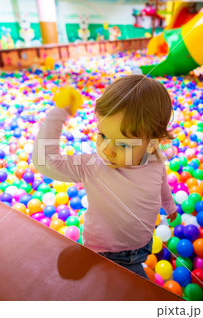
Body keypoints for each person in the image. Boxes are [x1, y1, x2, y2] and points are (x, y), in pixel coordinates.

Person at [32, 75, 177, 279]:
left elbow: (161, 183)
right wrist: (60, 112)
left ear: (152, 144)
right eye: (103, 135)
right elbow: (44, 161)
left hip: (144, 245)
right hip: (105, 253)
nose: (107, 150)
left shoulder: (154, 159)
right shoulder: (92, 166)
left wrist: (169, 205)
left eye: (123, 144)